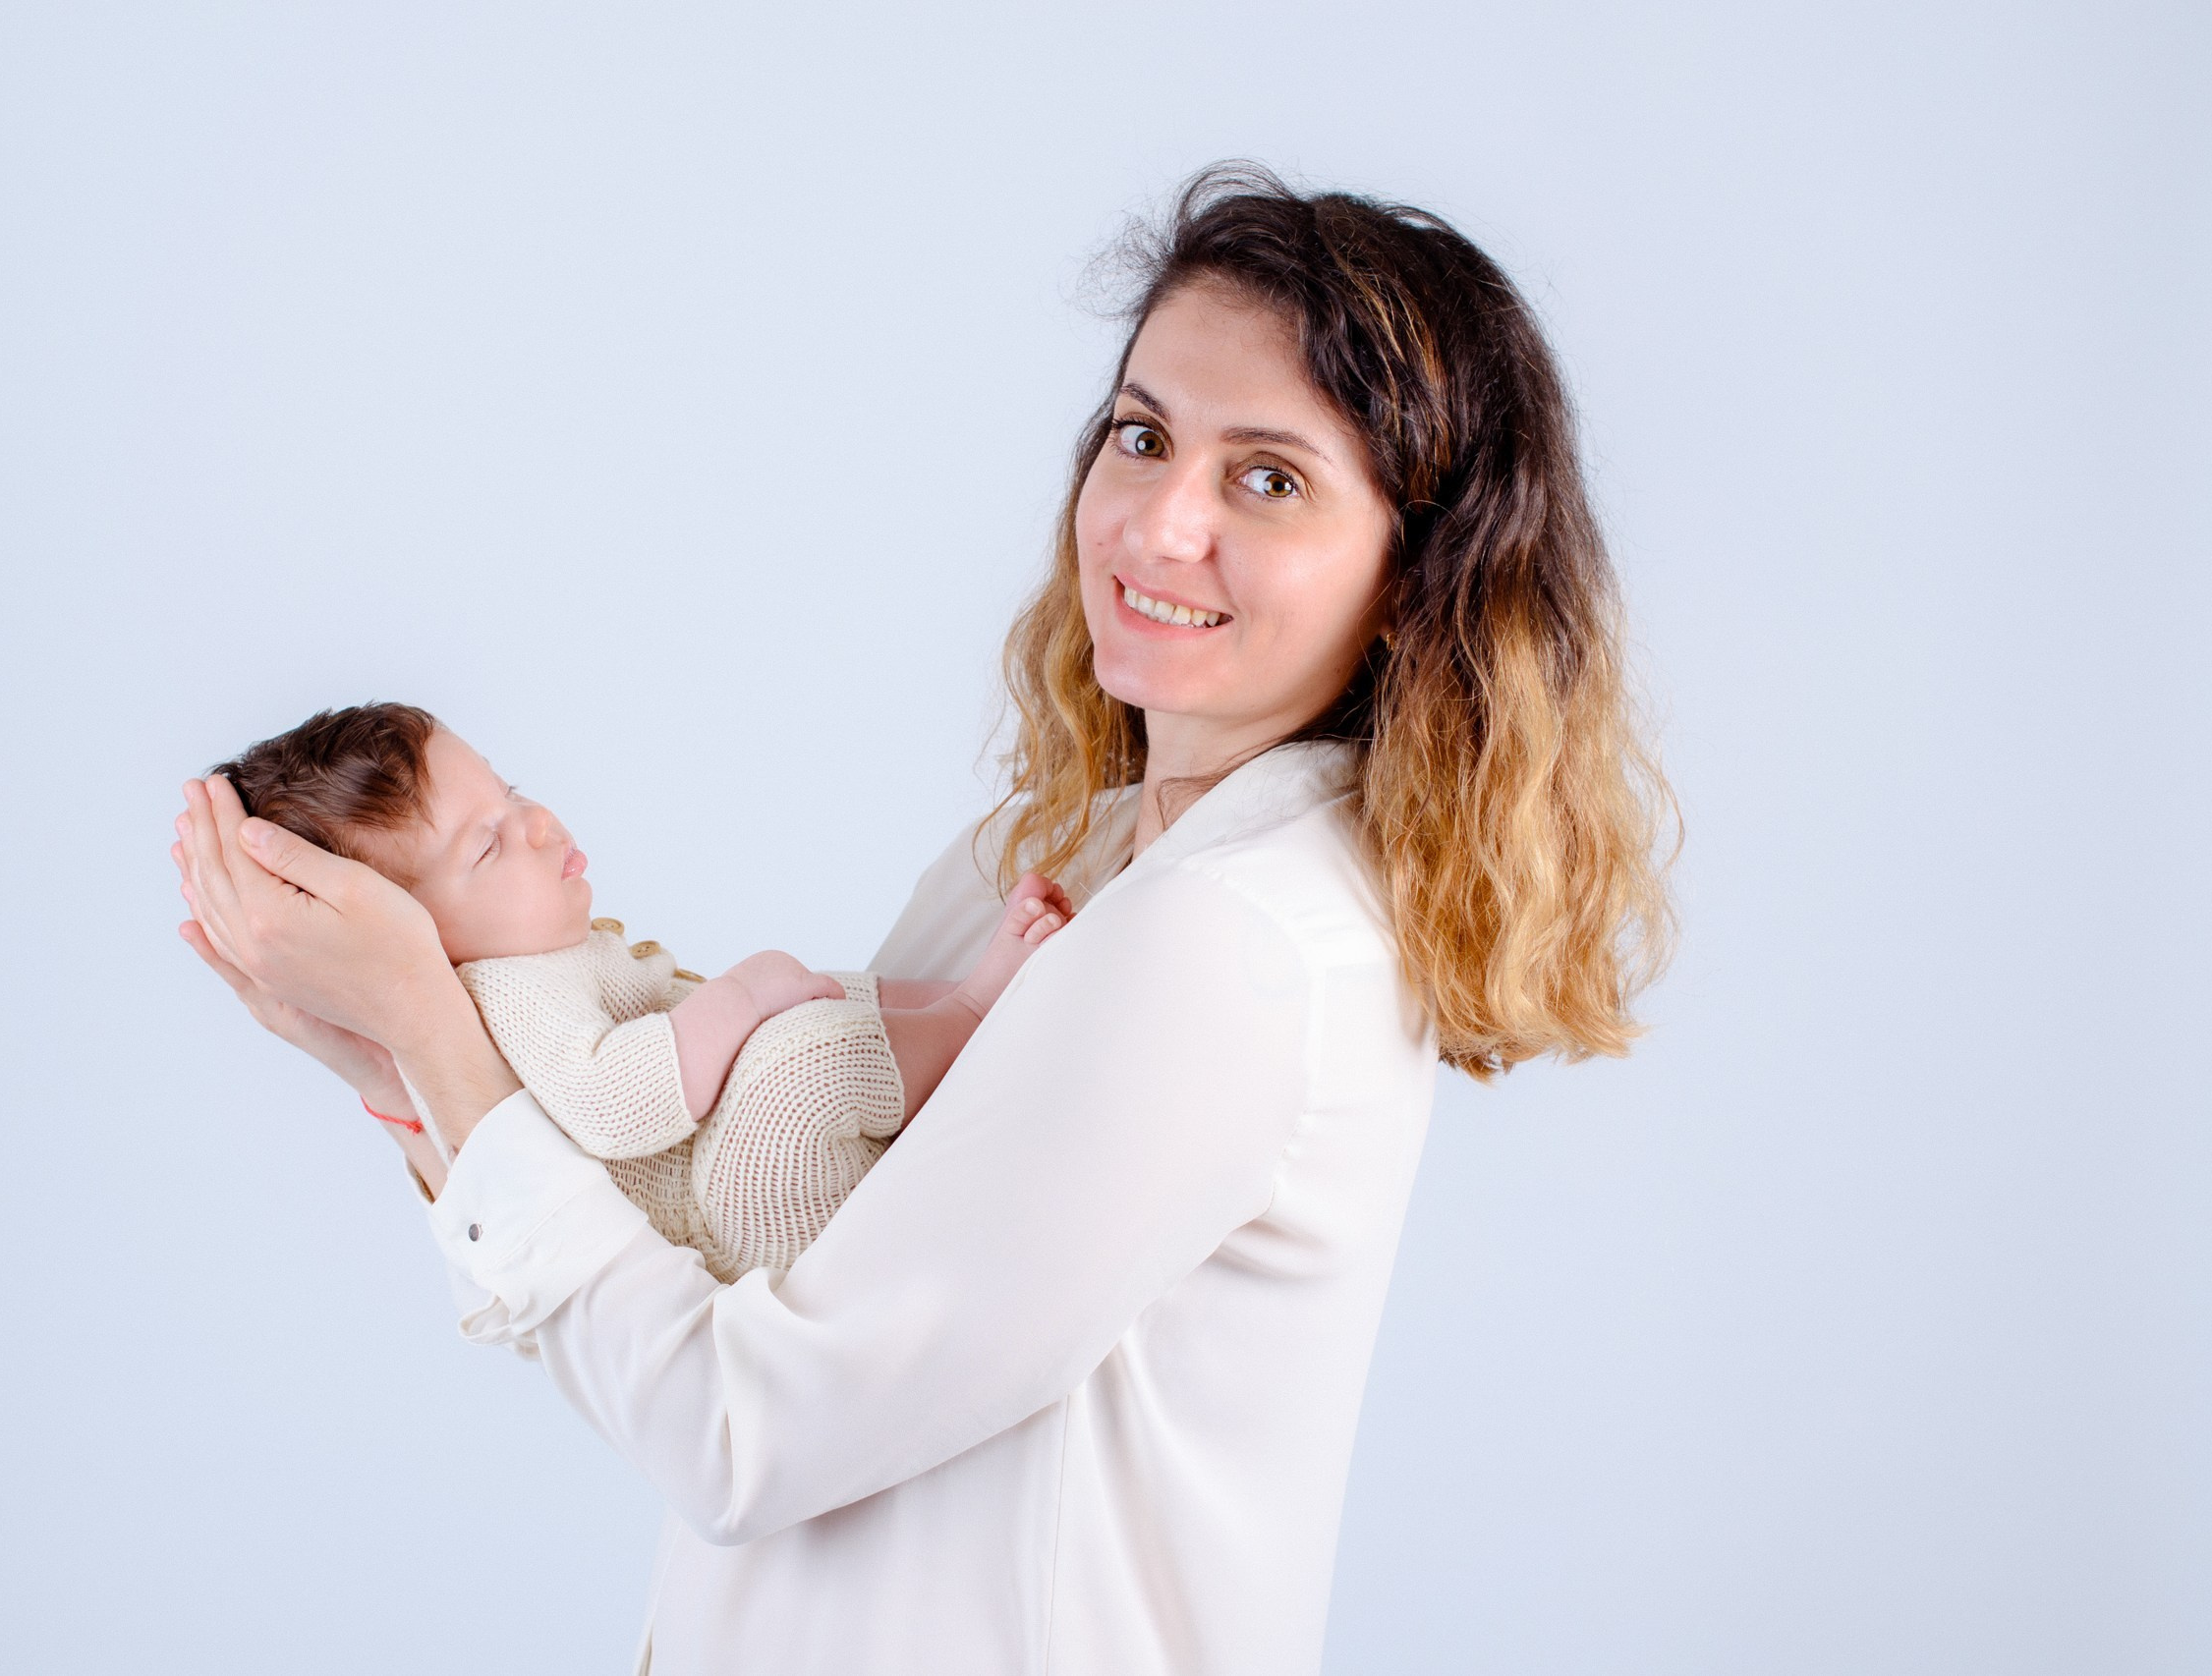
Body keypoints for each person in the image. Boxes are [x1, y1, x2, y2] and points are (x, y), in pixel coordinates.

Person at [173, 163, 1674, 1675]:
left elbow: (743, 1428)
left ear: (1420, 574)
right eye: (1142, 437)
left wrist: (439, 1039)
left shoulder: (1225, 945)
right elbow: (727, 1247)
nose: (1158, 526)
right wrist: (403, 1058)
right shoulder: (1057, 861)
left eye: (1268, 477)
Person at [208, 700, 1073, 1281]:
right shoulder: (505, 993)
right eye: (487, 847)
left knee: (810, 1005)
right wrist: (742, 994)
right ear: (414, 936)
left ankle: (964, 1004)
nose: (539, 823)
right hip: (741, 1218)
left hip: (755, 1176)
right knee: (791, 1056)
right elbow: (623, 1103)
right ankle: (972, 1011)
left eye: (510, 794)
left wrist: (768, 996)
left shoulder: (551, 951)